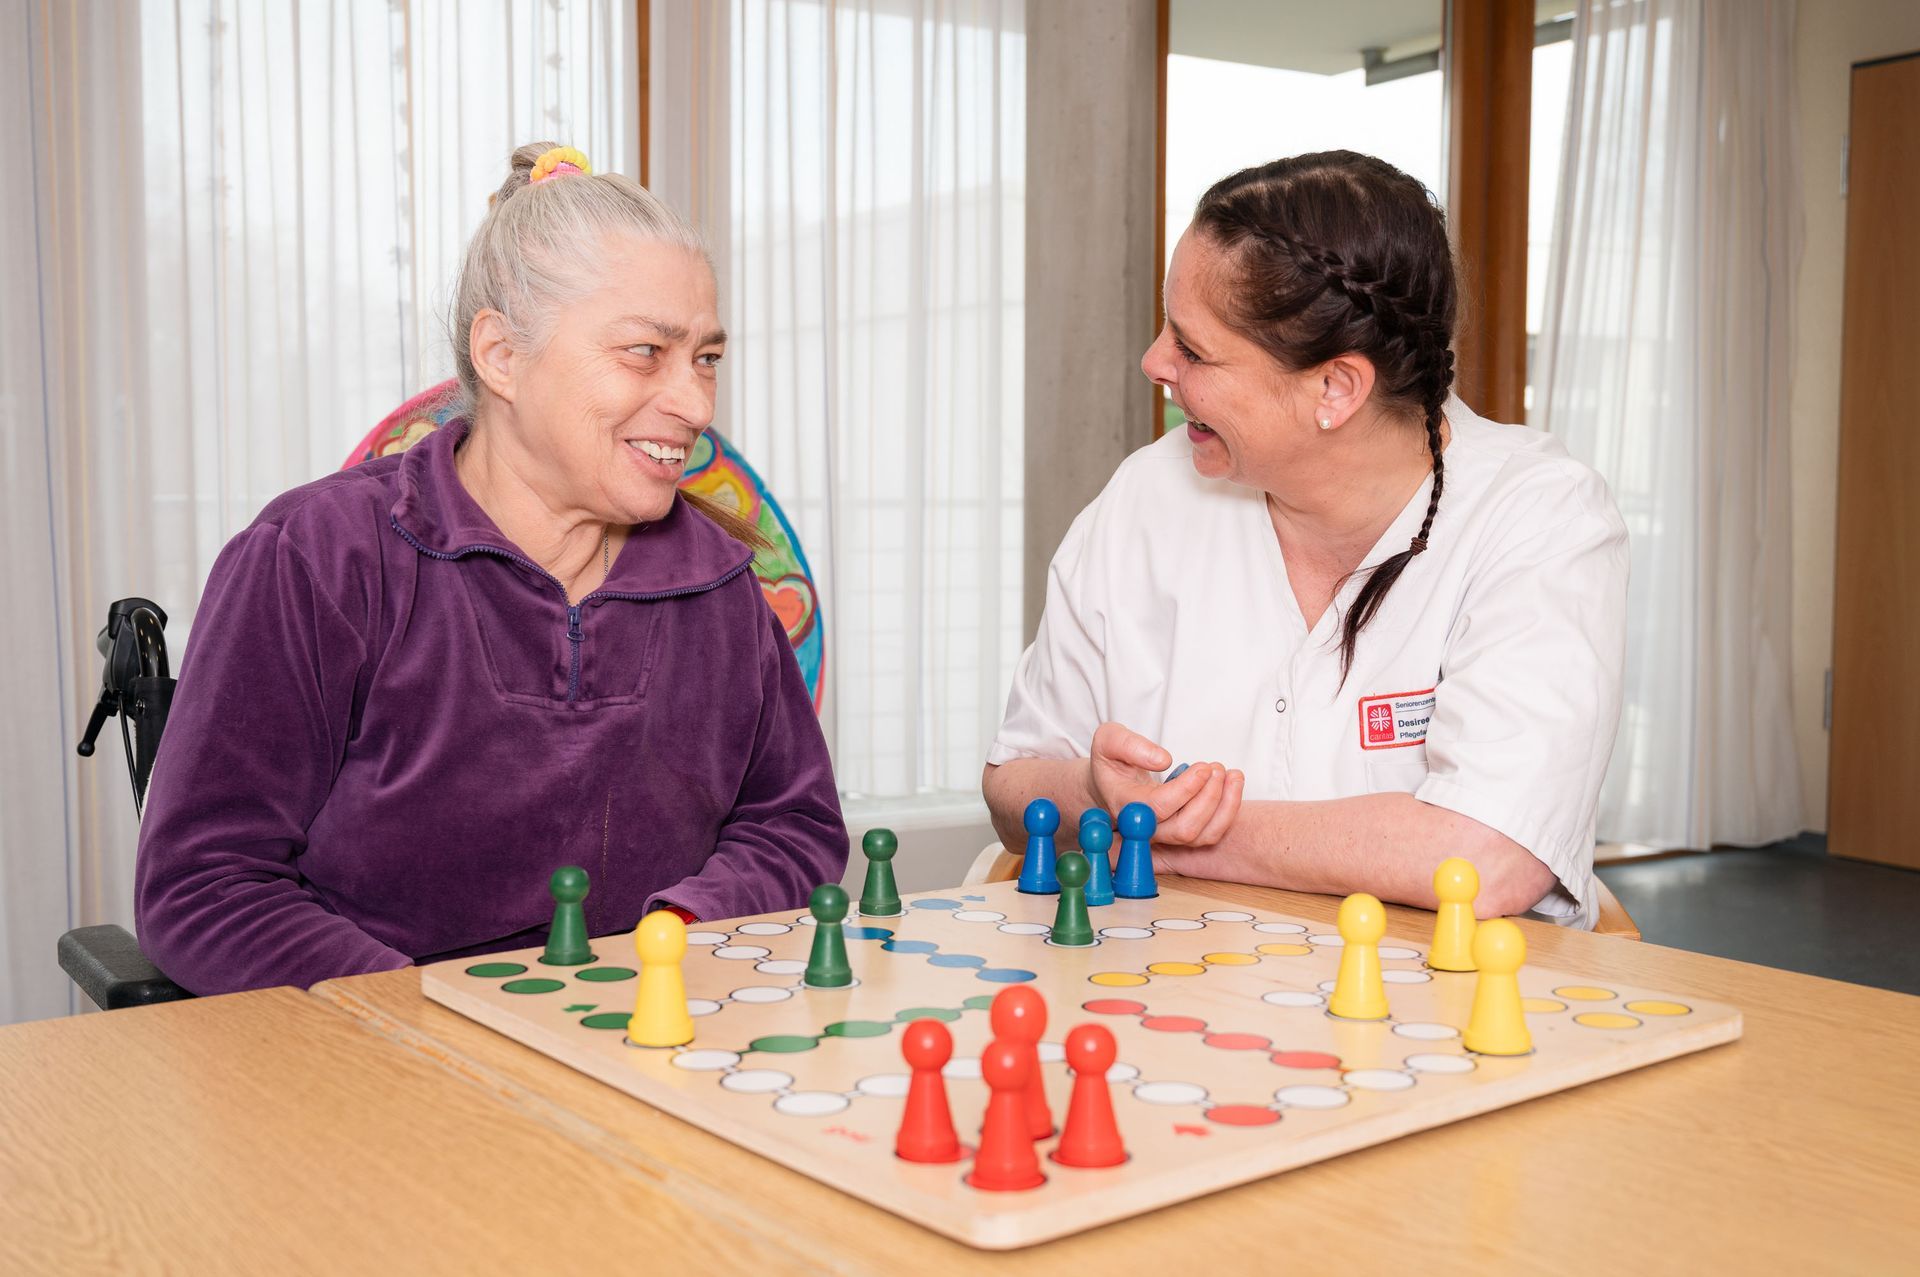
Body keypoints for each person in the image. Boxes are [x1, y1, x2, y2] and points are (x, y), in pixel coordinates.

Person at [136, 144, 846, 993]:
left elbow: (794, 828)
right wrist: (427, 1016)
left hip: (649, 1042)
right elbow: (203, 884)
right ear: (501, 355)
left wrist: (679, 933)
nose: (695, 405)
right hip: (384, 1062)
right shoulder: (317, 558)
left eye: (705, 358)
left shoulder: (723, 584)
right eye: (645, 352)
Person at [982, 152, 1628, 926]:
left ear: (1335, 388)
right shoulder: (1146, 497)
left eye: (1193, 350)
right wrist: (1093, 791)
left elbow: (1485, 859)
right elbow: (1012, 781)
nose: (1154, 362)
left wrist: (1158, 837)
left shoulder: (1540, 518)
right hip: (1177, 1012)